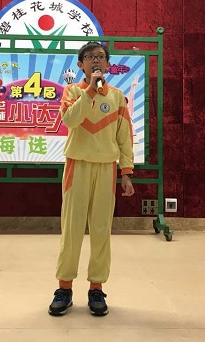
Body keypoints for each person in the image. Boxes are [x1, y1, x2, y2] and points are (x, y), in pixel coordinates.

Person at [48, 41, 135, 317]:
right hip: (77, 166)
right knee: (72, 229)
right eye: (89, 57)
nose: (95, 60)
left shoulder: (117, 97)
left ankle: (96, 289)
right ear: (80, 64)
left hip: (107, 168)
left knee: (100, 230)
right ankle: (64, 289)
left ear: (107, 64)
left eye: (100, 57)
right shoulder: (72, 91)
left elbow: (124, 137)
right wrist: (89, 91)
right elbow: (70, 120)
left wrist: (126, 172)